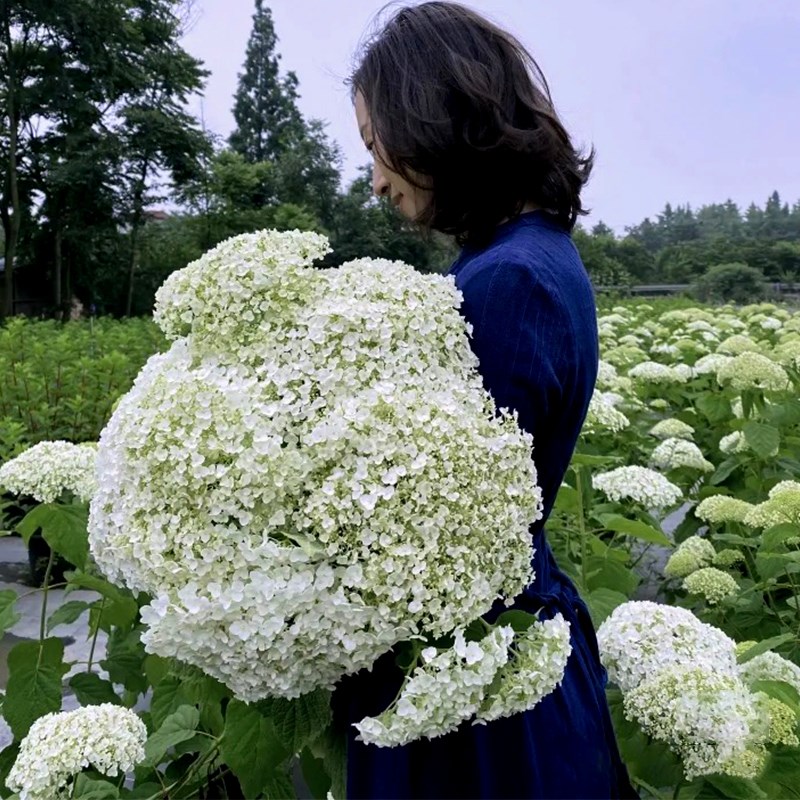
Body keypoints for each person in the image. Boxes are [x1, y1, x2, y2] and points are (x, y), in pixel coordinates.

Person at [332, 3, 637, 798]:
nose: (375, 179)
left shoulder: (507, 281)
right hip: (494, 664)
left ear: (431, 117)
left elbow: (449, 533)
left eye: (376, 145)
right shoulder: (526, 256)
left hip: (480, 697)